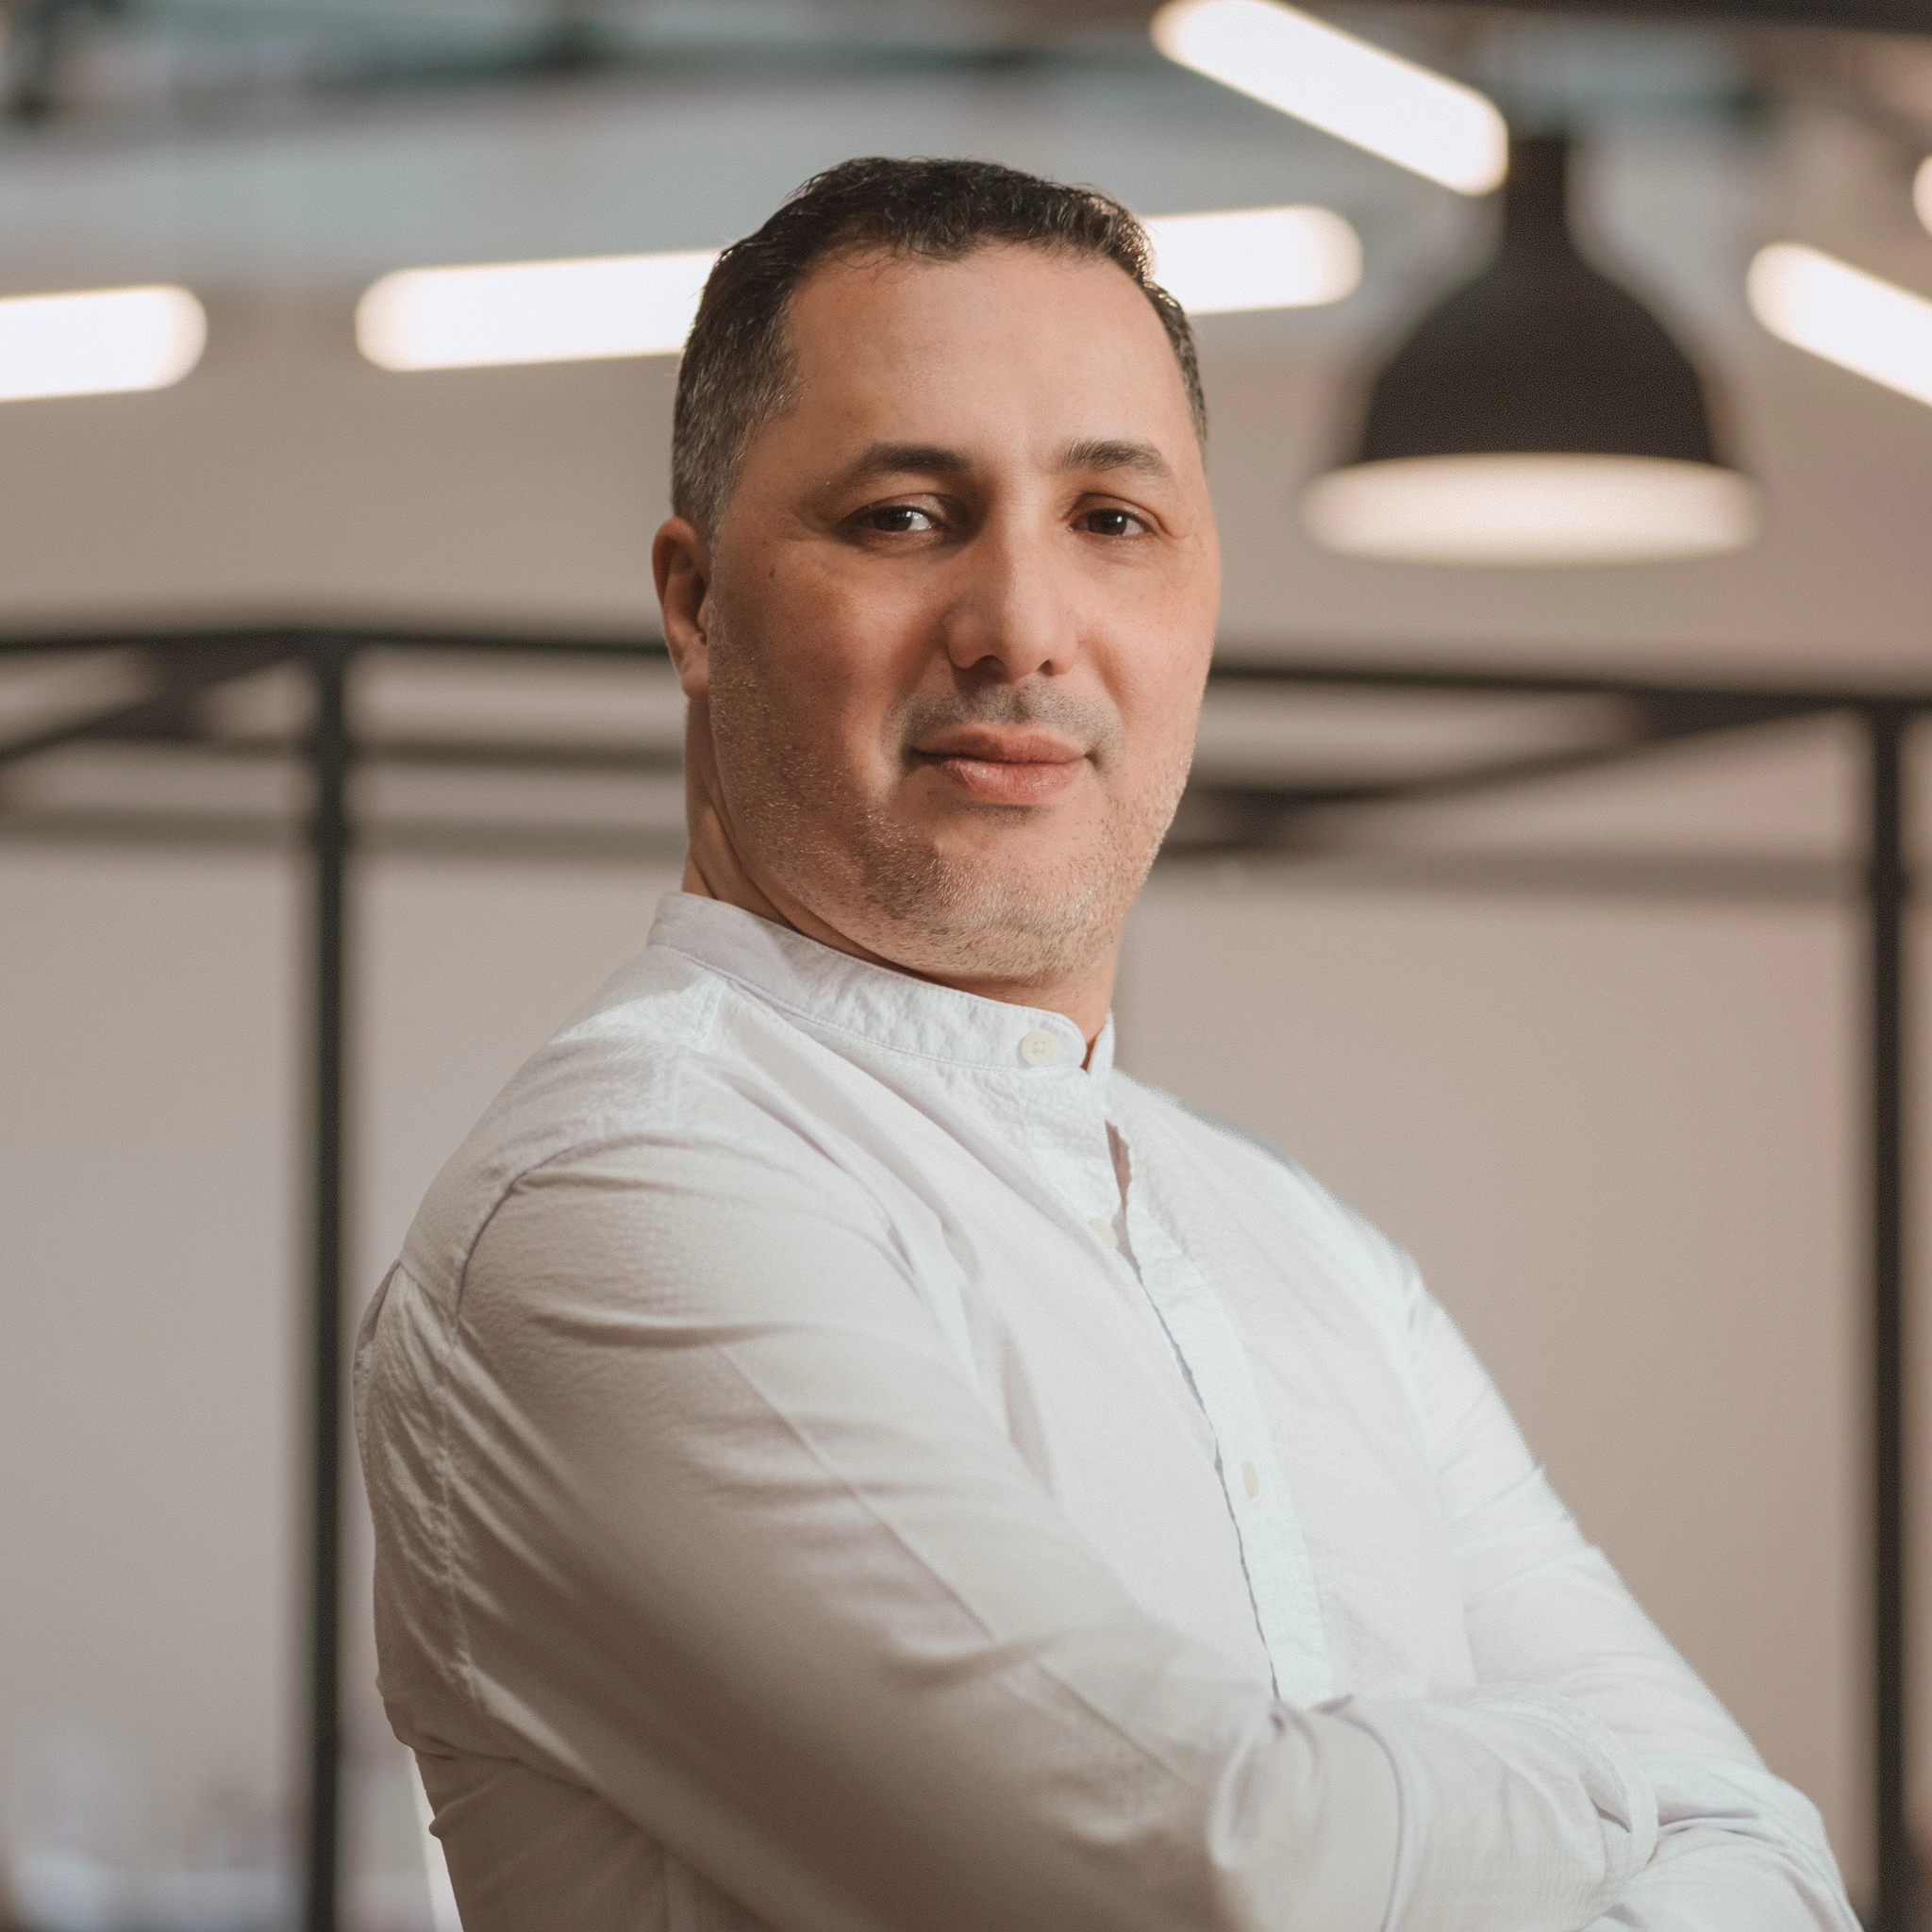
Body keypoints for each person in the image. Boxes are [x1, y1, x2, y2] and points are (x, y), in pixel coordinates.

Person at [355, 157, 1857, 1932]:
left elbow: (1781, 1873)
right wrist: (1609, 1789)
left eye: (1113, 521)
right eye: (905, 515)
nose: (1022, 627)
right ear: (697, 606)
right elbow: (1214, 1877)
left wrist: (1432, 1820)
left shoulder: (1313, 1257)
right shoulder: (620, 1202)